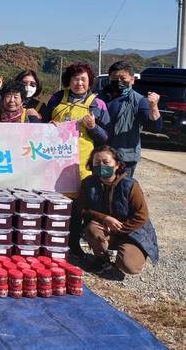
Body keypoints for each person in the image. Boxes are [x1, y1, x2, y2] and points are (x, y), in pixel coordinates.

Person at [43, 61, 110, 258]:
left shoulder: (98, 104)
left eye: (83, 79)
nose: (78, 83)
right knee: (52, 204)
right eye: (75, 79)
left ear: (90, 81)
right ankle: (48, 242)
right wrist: (48, 125)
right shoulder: (57, 98)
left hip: (81, 164)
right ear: (68, 80)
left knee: (76, 207)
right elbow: (41, 126)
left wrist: (93, 128)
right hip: (54, 162)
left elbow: (106, 136)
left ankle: (73, 243)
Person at [77, 145, 159, 276]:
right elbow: (81, 208)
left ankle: (125, 256)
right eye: (97, 162)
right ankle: (102, 260)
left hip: (132, 233)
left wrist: (117, 228)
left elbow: (141, 216)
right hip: (104, 229)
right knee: (92, 229)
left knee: (131, 267)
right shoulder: (88, 183)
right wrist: (105, 218)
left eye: (106, 162)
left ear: (117, 164)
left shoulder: (130, 185)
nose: (101, 166)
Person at [99, 60, 162, 178]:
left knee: (121, 186)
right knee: (100, 185)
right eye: (114, 78)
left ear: (132, 80)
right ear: (109, 79)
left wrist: (153, 107)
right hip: (101, 153)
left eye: (123, 78)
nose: (119, 81)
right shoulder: (101, 97)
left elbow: (155, 127)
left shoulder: (139, 101)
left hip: (124, 156)